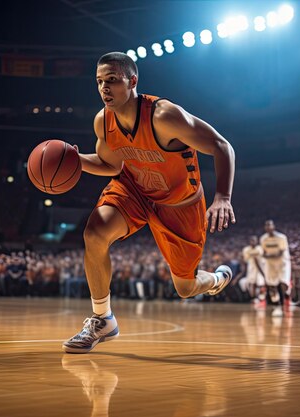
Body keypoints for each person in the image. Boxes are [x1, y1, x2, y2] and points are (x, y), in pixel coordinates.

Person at [63, 52, 236, 353]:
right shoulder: (103, 122)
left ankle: (216, 279)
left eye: (113, 80)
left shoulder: (164, 116)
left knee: (185, 288)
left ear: (132, 81)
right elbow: (112, 165)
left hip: (179, 203)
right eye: (100, 82)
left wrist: (223, 197)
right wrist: (77, 161)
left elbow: (222, 146)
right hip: (135, 189)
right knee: (94, 233)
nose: (105, 88)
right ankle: (103, 318)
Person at [259, 220, 291, 317]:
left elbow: (280, 253)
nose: (268, 227)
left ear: (274, 226)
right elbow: (264, 252)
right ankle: (277, 306)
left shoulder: (281, 238)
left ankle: (287, 293)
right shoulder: (263, 239)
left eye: (270, 225)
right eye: (266, 225)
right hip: (270, 264)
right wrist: (266, 256)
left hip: (282, 263)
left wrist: (267, 256)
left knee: (283, 284)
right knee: (272, 286)